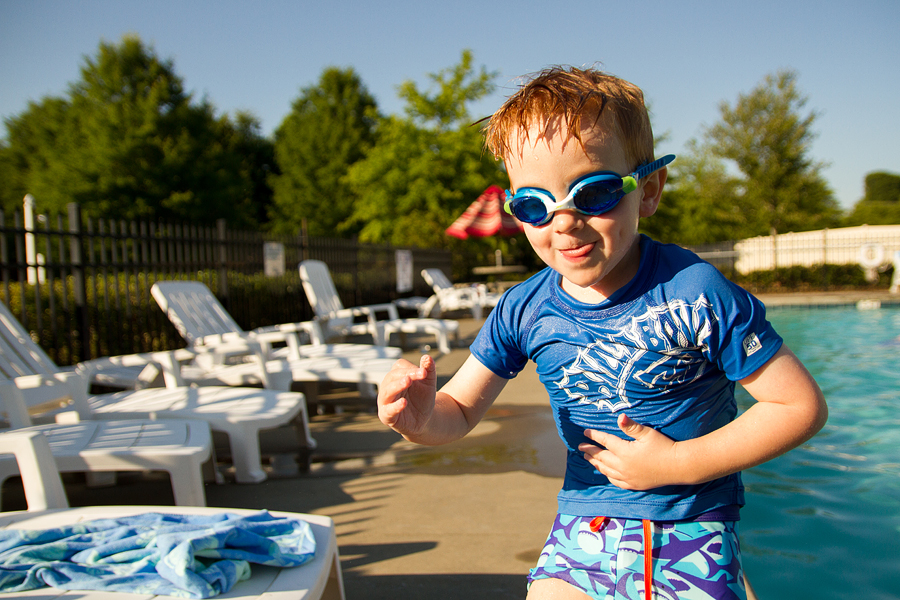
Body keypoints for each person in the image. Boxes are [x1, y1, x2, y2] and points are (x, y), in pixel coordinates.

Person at [377, 66, 828, 600]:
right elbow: (460, 410)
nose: (562, 222)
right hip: (583, 528)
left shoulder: (694, 290)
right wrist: (420, 419)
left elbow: (798, 407)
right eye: (533, 205)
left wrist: (675, 463)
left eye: (592, 194)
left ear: (650, 189)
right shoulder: (525, 308)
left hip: (691, 524)